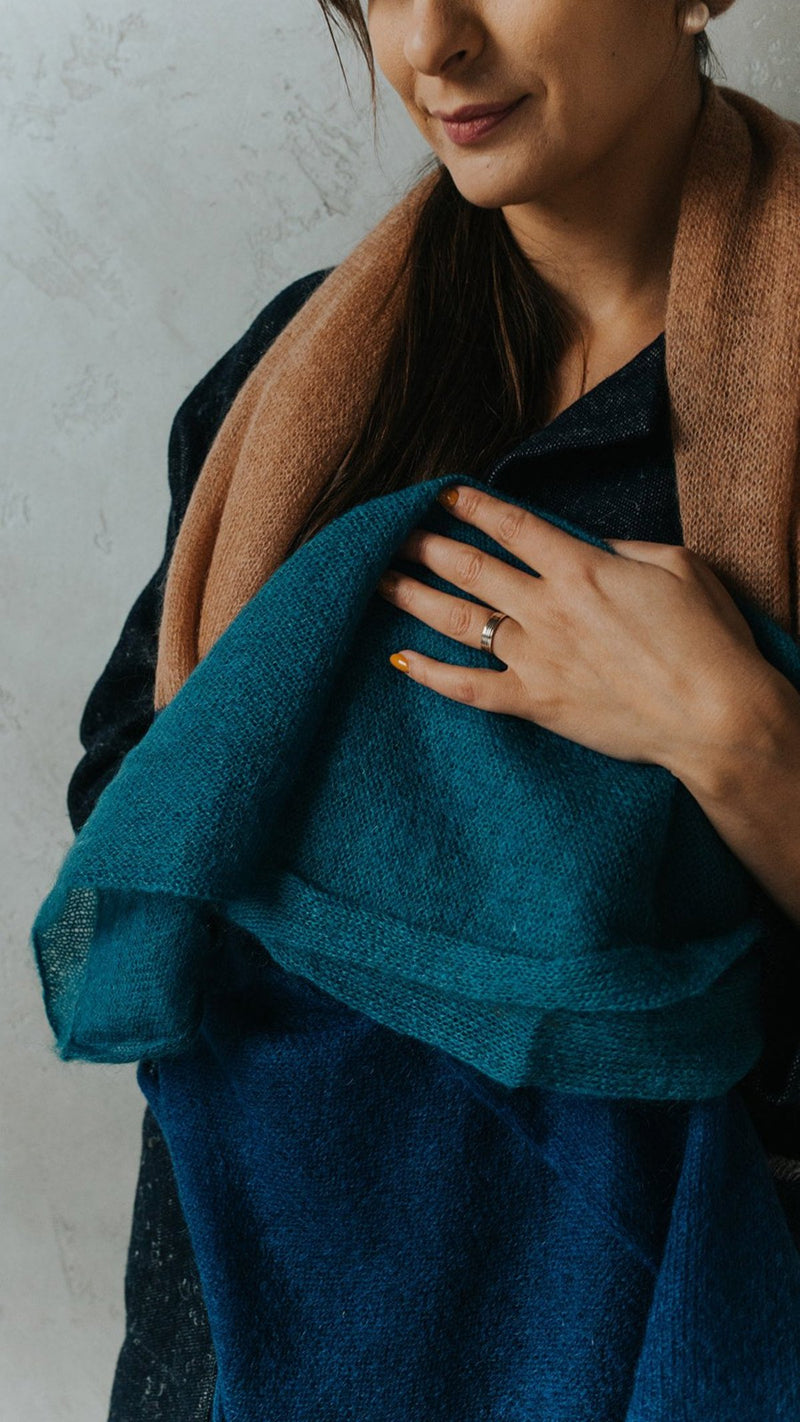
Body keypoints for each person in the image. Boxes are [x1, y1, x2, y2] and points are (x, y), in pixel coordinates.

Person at [59, 2, 800, 1418]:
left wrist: (736, 735)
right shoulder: (294, 382)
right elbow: (132, 806)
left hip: (654, 1344)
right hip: (247, 1329)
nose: (429, 43)